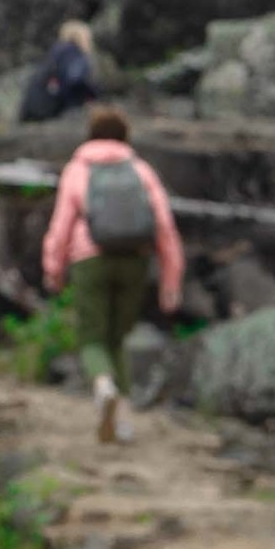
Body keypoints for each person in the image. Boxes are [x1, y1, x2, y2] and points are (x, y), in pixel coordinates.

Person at [41, 106, 185, 445]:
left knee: (92, 338)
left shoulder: (79, 170)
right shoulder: (140, 170)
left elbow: (61, 226)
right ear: (125, 136)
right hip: (135, 260)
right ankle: (121, 420)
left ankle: (103, 387)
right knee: (118, 338)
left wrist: (53, 270)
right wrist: (171, 279)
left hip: (90, 260)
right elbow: (165, 226)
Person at [17, 19, 100, 123]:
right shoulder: (74, 54)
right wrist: (94, 95)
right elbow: (75, 81)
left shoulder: (55, 53)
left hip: (33, 109)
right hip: (50, 109)